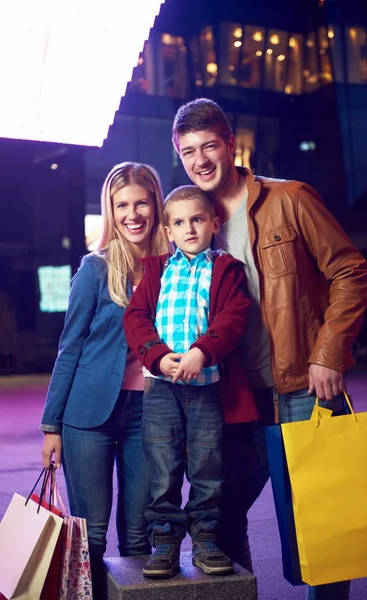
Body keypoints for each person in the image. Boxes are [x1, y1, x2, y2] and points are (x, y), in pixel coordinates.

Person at [172, 98, 367, 600]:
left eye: (209, 145)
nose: (201, 160)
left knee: (320, 523)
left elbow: (349, 269)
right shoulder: (195, 221)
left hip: (302, 387)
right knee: (220, 515)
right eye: (189, 151)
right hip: (236, 396)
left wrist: (328, 352)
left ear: (231, 144)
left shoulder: (289, 198)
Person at [40, 162, 169, 598]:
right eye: (121, 206)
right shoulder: (94, 270)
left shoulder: (174, 269)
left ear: (155, 204)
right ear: (110, 212)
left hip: (148, 413)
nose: (132, 214)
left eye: (141, 203)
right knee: (92, 536)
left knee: (138, 535)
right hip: (87, 416)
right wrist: (51, 425)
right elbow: (69, 348)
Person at [123, 185, 258, 578]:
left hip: (207, 388)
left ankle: (206, 540)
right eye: (179, 223)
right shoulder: (156, 269)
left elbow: (232, 318)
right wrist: (158, 356)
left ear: (214, 223)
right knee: (163, 468)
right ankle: (164, 542)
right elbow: (136, 318)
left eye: (197, 220)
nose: (189, 229)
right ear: (168, 230)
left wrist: (202, 351)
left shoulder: (225, 269)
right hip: (162, 389)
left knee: (208, 466)